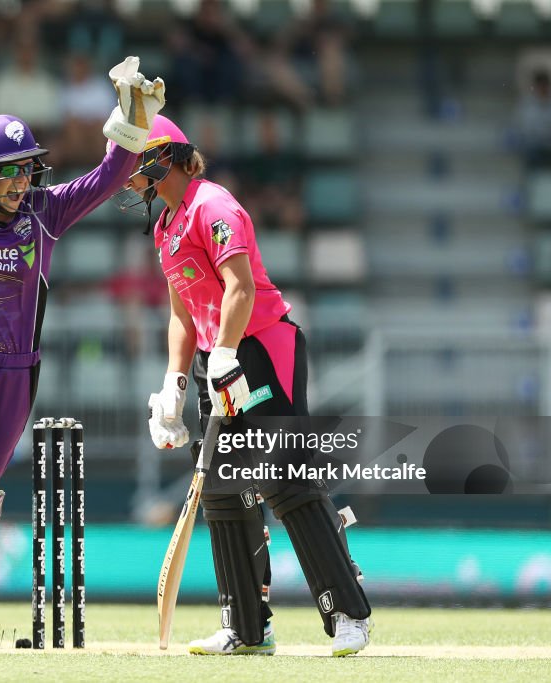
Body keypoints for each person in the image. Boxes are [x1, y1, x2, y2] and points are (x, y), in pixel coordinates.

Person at [0, 26, 166, 646]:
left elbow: (105, 177)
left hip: (16, 375)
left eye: (27, 171)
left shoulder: (44, 214)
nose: (22, 184)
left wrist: (130, 118)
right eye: (9, 174)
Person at [120, 115, 372, 656]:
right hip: (220, 355)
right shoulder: (166, 227)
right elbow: (183, 316)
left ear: (162, 159)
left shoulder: (213, 205)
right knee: (219, 488)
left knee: (287, 481)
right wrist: (173, 386)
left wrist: (230, 353)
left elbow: (239, 288)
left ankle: (349, 614)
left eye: (134, 163)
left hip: (261, 346)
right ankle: (247, 629)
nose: (126, 176)